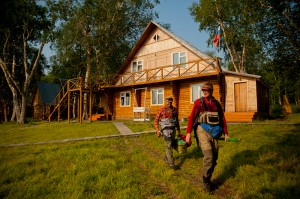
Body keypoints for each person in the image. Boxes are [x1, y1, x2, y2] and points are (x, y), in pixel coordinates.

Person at [185, 82, 230, 192]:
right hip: (202, 130)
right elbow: (192, 118)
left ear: (211, 91)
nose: (204, 92)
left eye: (207, 90)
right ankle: (206, 182)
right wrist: (188, 133)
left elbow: (222, 119)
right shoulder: (198, 103)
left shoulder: (216, 104)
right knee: (209, 156)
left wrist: (226, 133)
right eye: (203, 90)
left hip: (214, 131)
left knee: (214, 158)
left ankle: (208, 178)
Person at [154, 96, 181, 170]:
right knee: (168, 146)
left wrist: (179, 131)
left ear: (172, 102)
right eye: (167, 101)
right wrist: (157, 130)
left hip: (173, 130)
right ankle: (171, 164)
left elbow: (177, 121)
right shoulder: (161, 109)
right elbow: (156, 120)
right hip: (165, 131)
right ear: (165, 101)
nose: (168, 103)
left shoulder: (175, 110)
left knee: (171, 145)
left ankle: (166, 158)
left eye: (170, 102)